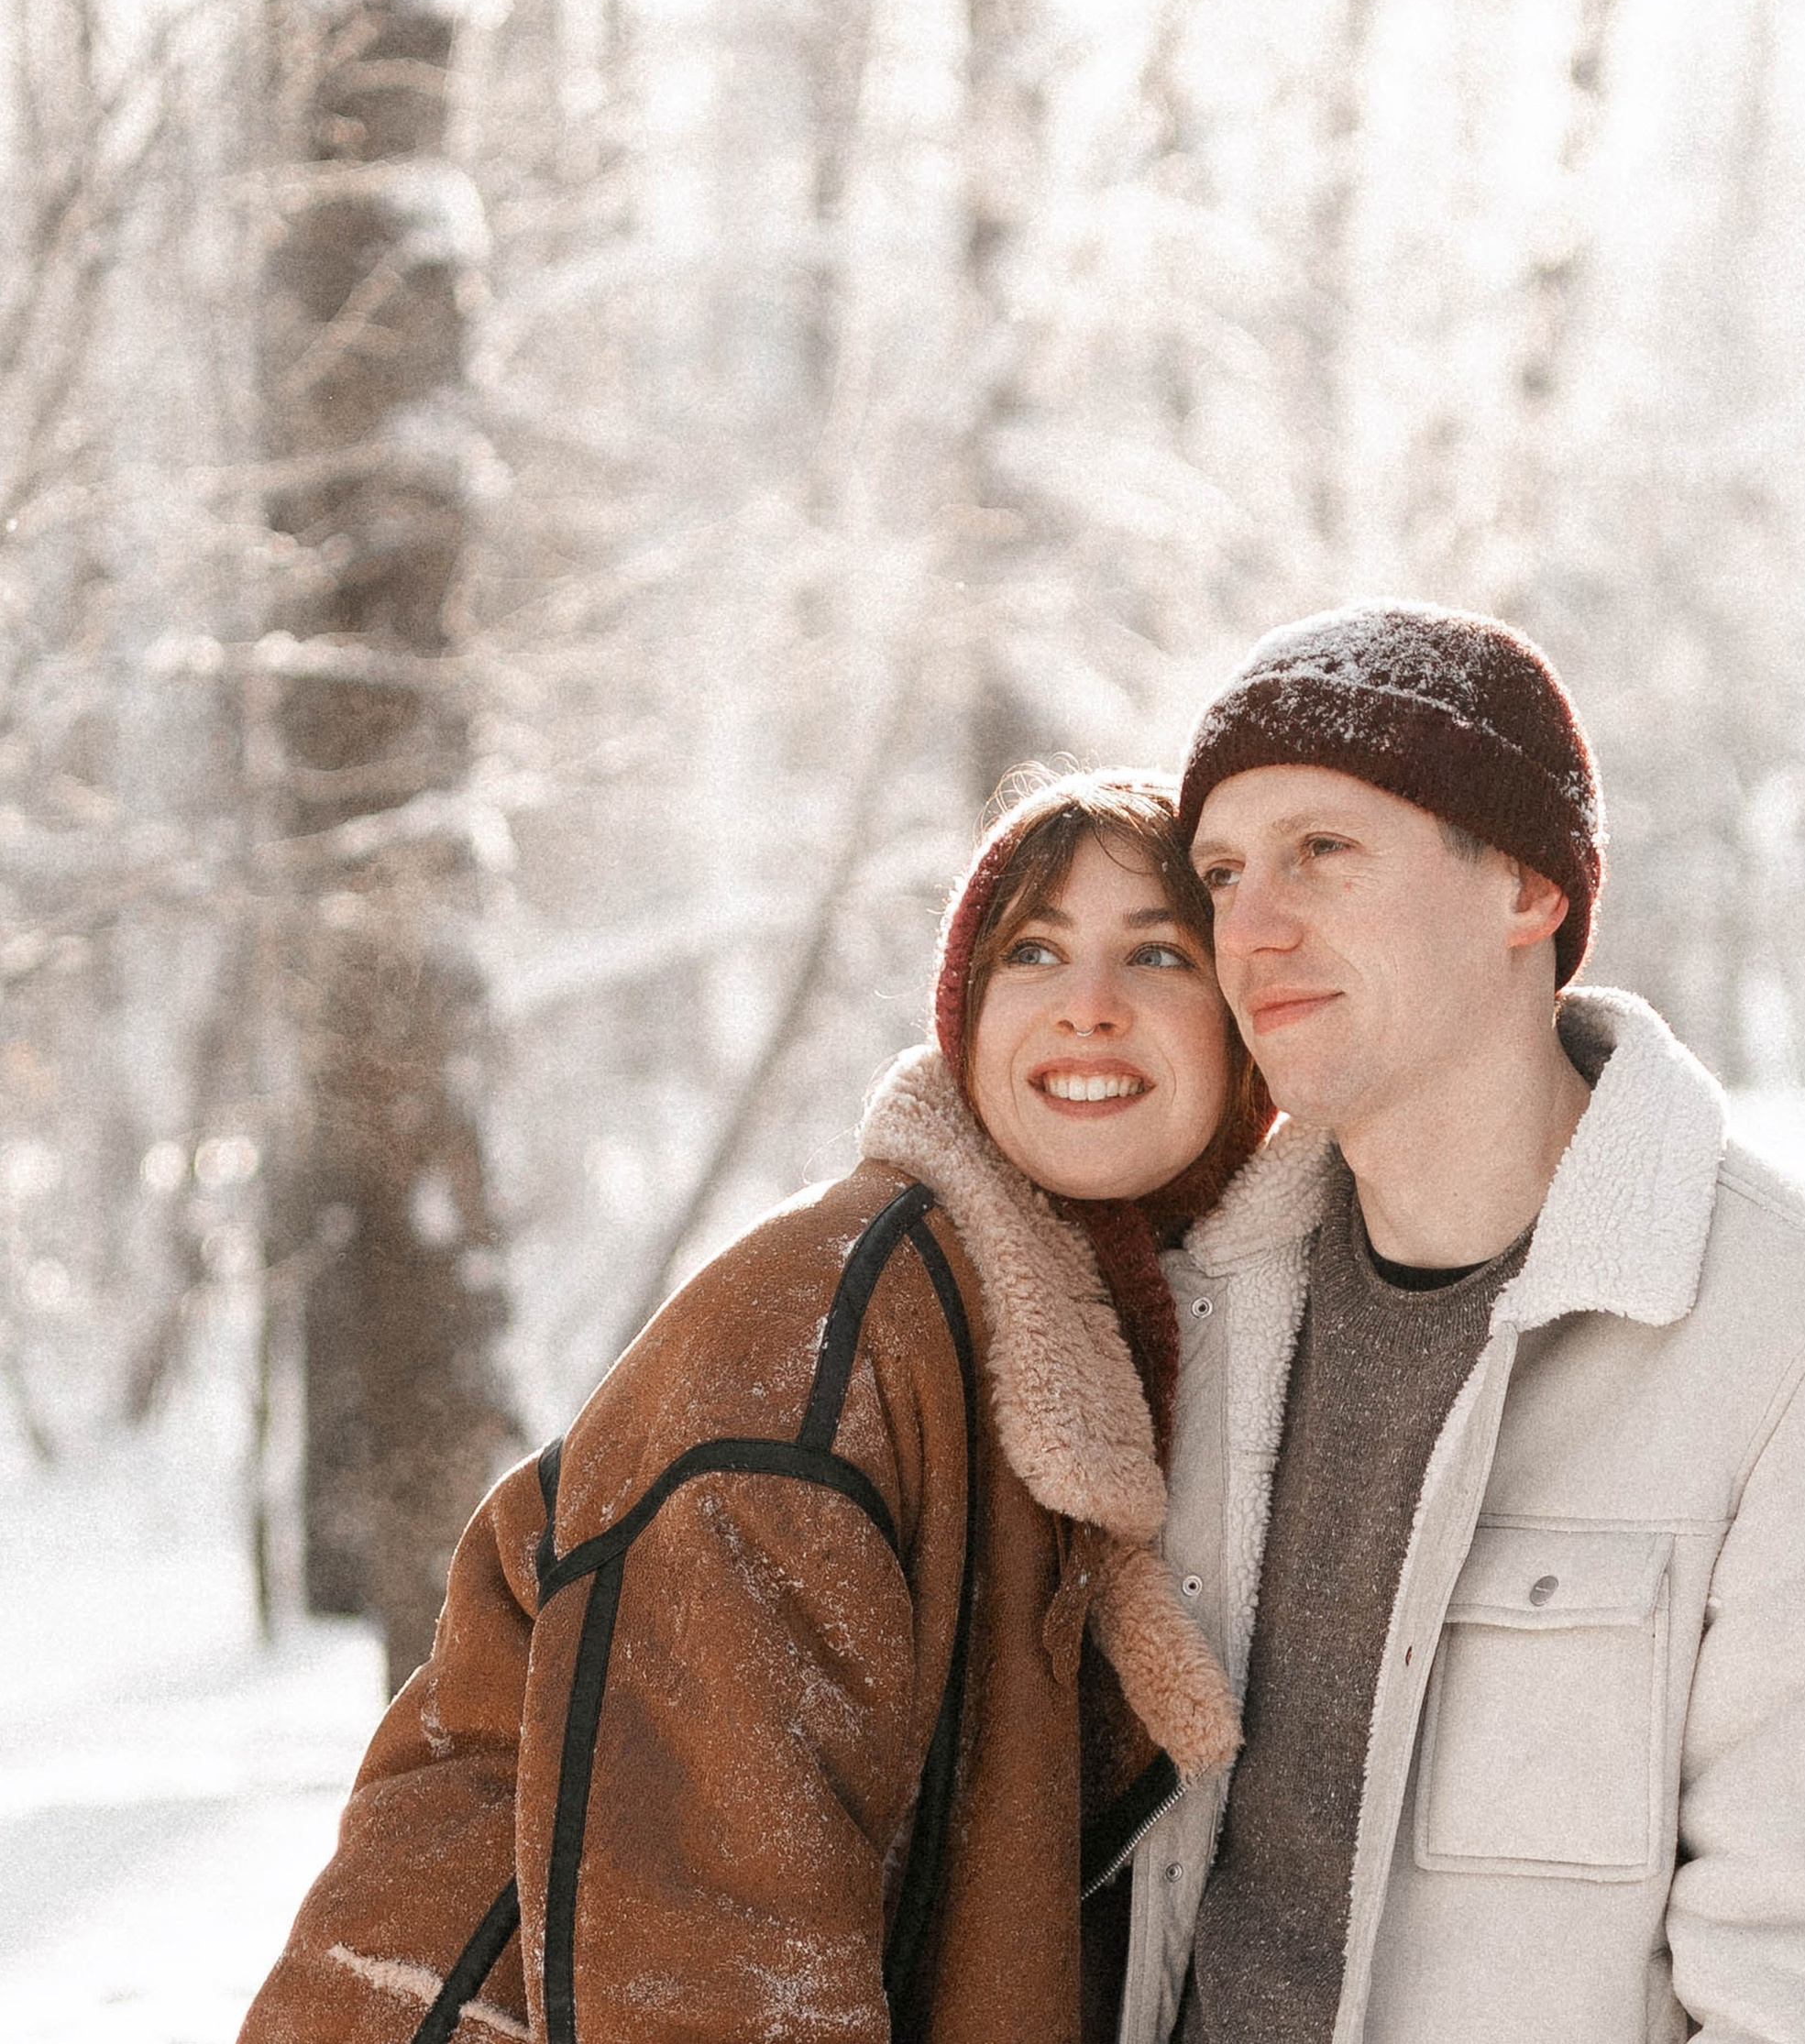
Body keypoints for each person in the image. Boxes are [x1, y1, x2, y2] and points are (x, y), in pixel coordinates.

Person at [240, 769, 1271, 2044]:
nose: (1089, 1010)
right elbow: (713, 1956)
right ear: (964, 1014)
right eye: (1035, 953)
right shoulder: (820, 1339)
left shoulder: (1102, 1343)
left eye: (1158, 953)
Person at [1113, 603, 1805, 2044]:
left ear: (1528, 888)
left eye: (1323, 853)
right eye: (1221, 874)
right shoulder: (1192, 1314)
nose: (1253, 927)